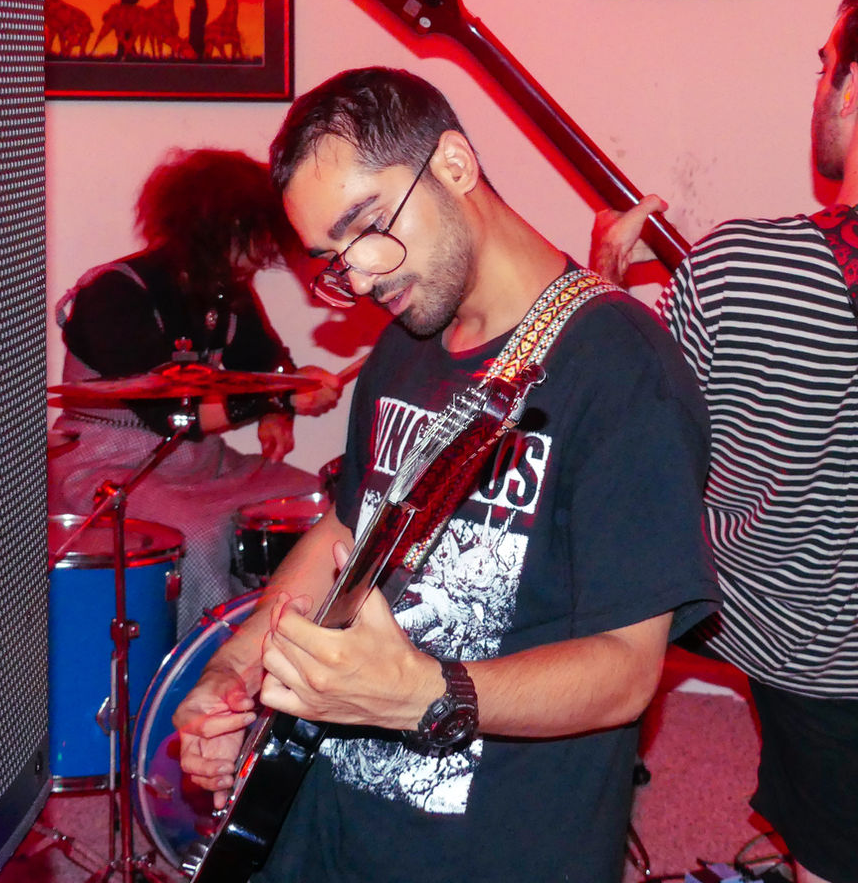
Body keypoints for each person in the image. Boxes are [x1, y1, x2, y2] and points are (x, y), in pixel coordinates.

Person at [173, 68, 720, 883]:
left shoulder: (622, 368)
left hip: (495, 849)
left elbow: (626, 672)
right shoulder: (406, 343)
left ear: (455, 165)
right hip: (322, 816)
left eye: (367, 228)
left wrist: (420, 694)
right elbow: (346, 526)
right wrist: (235, 668)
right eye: (333, 258)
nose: (359, 278)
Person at [589, 0, 858, 883]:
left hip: (800, 642)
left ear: (854, 87)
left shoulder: (741, 265)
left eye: (825, 66)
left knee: (592, 554)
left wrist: (605, 288)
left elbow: (630, 436)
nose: (818, 87)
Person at [49, 148, 341, 635]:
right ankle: (201, 668)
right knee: (199, 540)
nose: (264, 253)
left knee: (318, 502)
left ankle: (295, 646)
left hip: (200, 463)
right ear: (221, 229)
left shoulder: (227, 291)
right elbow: (175, 414)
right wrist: (280, 397)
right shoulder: (114, 293)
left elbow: (267, 364)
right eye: (257, 236)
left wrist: (280, 408)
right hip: (112, 467)